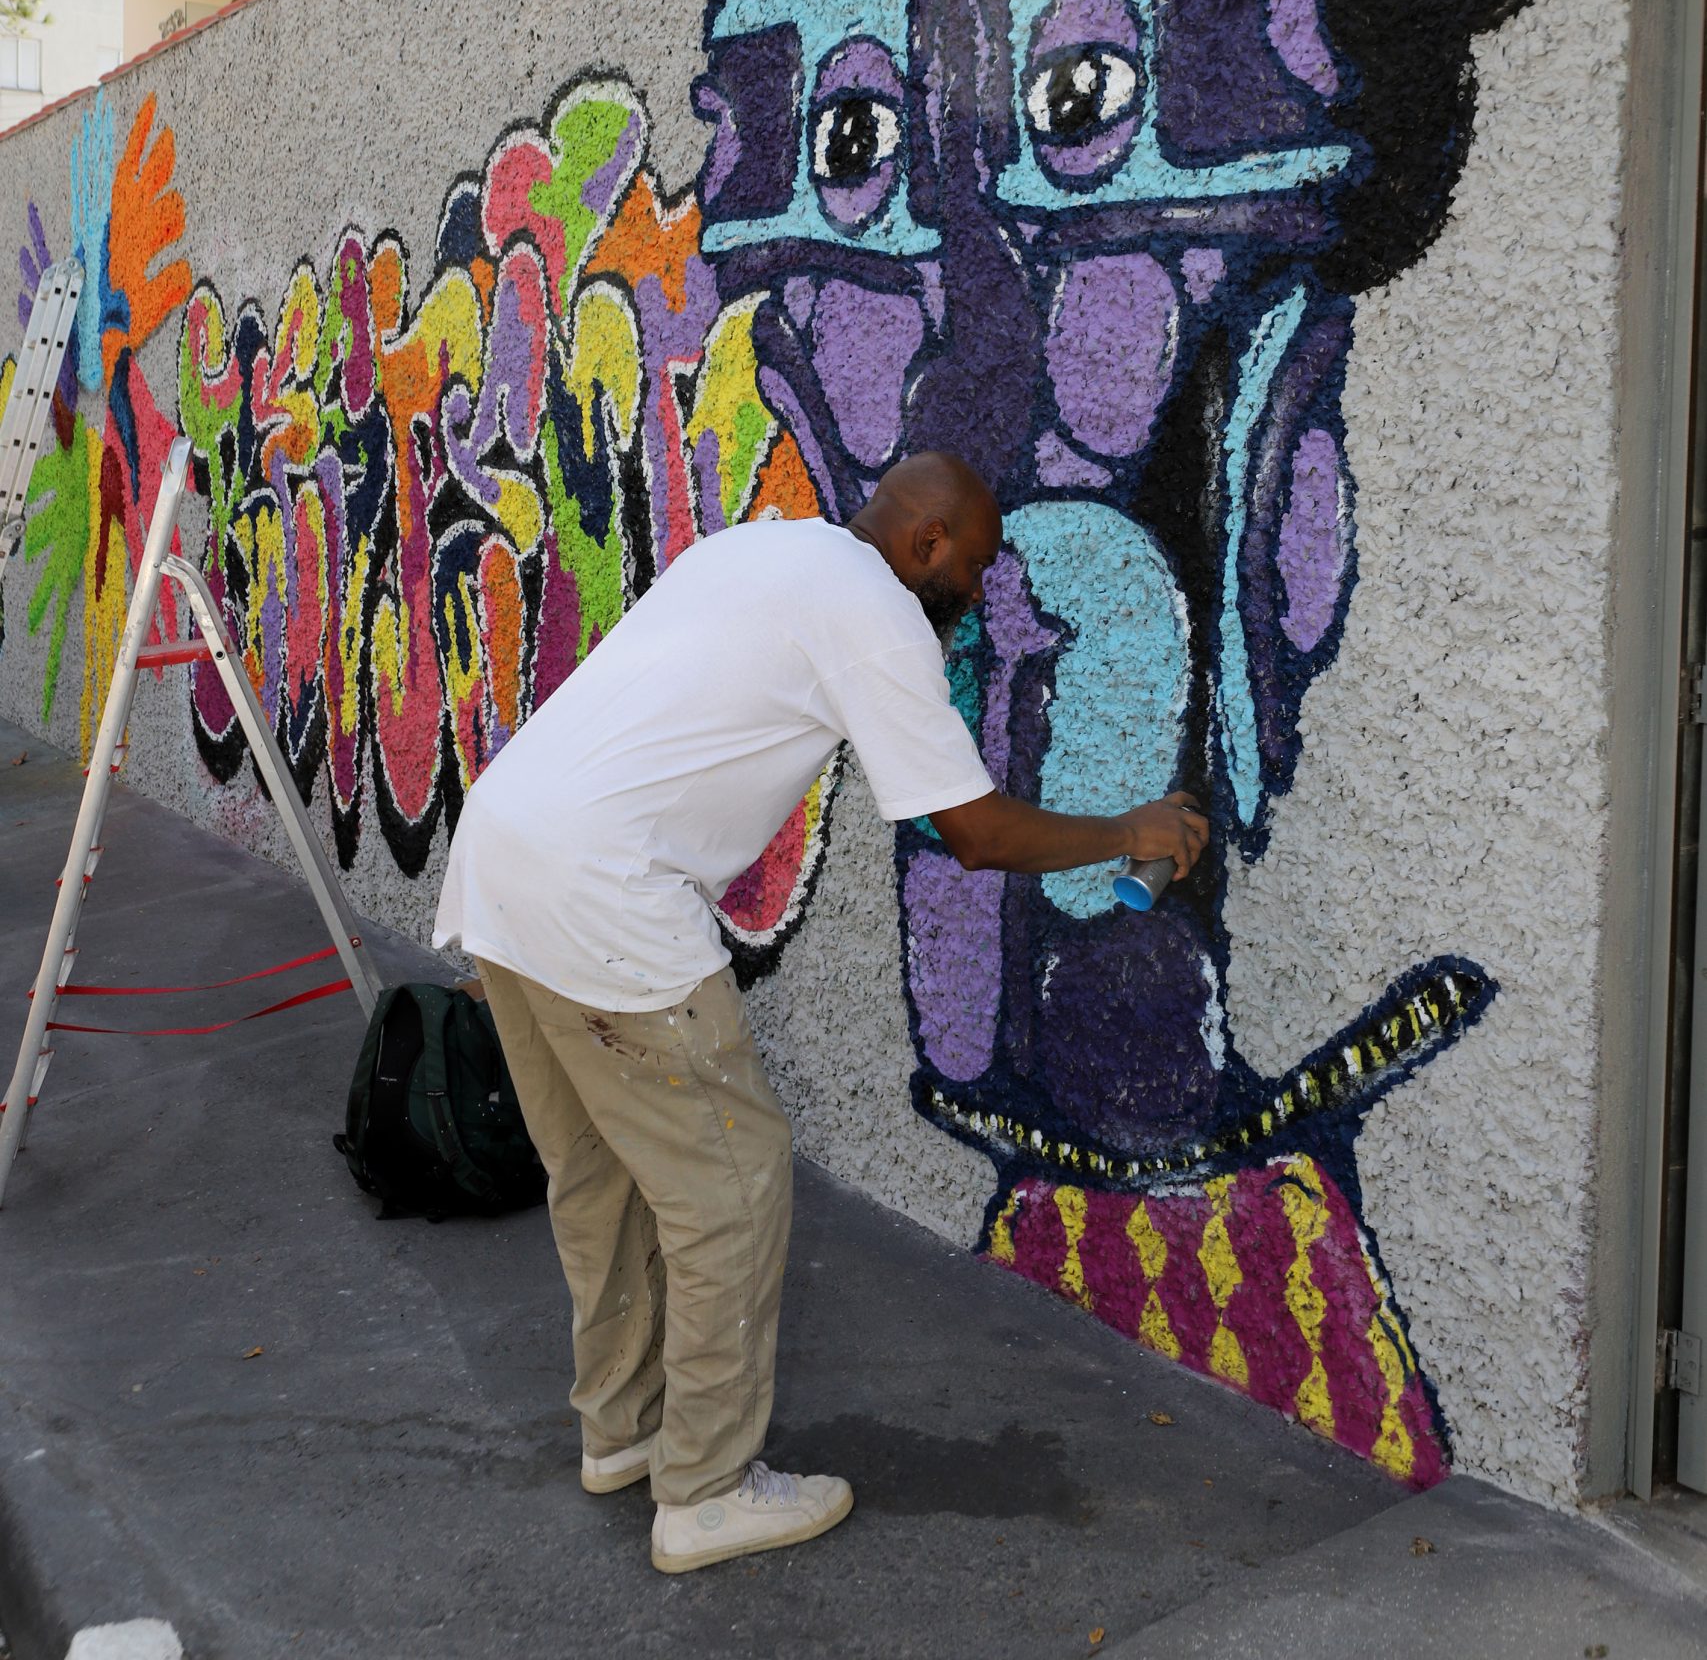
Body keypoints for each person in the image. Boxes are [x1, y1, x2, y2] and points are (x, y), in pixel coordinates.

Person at [432, 451, 1207, 1574]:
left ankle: (624, 1430)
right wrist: (1129, 831)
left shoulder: (762, 545)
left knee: (601, 1175)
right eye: (978, 567)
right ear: (928, 543)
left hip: (506, 858)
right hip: (603, 899)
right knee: (731, 1184)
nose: (981, 594)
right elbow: (973, 831)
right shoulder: (875, 610)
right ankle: (702, 1490)